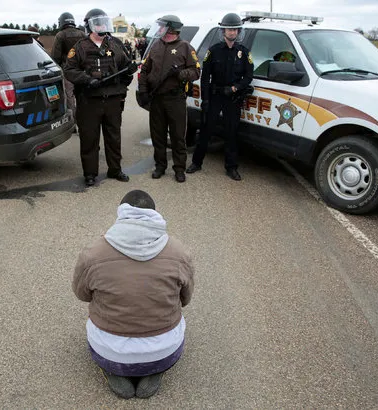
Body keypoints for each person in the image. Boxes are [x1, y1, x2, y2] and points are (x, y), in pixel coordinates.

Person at [72, 190, 195, 399]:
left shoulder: (92, 253)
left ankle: (113, 370)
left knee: (105, 345)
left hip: (109, 350)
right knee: (164, 347)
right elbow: (185, 299)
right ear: (155, 215)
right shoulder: (180, 252)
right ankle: (155, 368)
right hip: (164, 351)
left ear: (120, 215)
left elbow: (82, 294)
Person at [63, 9, 137, 187]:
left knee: (113, 137)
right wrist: (88, 80)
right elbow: (69, 70)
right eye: (97, 23)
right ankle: (90, 173)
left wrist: (128, 74)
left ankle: (115, 169)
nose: (101, 26)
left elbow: (126, 66)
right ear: (89, 25)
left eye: (103, 22)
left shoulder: (116, 44)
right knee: (89, 138)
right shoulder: (80, 47)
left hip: (112, 100)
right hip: (89, 101)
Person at [186, 13, 254, 181]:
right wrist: (205, 100)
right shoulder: (213, 51)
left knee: (231, 133)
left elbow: (248, 76)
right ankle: (196, 162)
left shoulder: (244, 52)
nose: (232, 32)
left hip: (233, 98)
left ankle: (231, 167)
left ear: (239, 31)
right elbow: (205, 77)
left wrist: (235, 88)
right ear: (223, 30)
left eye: (235, 29)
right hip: (215, 97)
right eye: (229, 29)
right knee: (206, 131)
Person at [138, 15, 200, 182]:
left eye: (162, 26)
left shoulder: (185, 47)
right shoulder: (156, 46)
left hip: (175, 99)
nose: (159, 29)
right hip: (156, 98)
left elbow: (196, 71)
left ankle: (179, 168)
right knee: (157, 135)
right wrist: (143, 90)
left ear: (171, 28)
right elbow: (144, 70)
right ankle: (160, 166)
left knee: (178, 135)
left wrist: (180, 74)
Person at [52, 12, 87, 121]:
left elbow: (55, 56)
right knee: (82, 96)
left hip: (67, 72)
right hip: (82, 71)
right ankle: (84, 120)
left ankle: (73, 122)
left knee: (69, 97)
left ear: (62, 22)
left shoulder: (60, 35)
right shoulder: (82, 34)